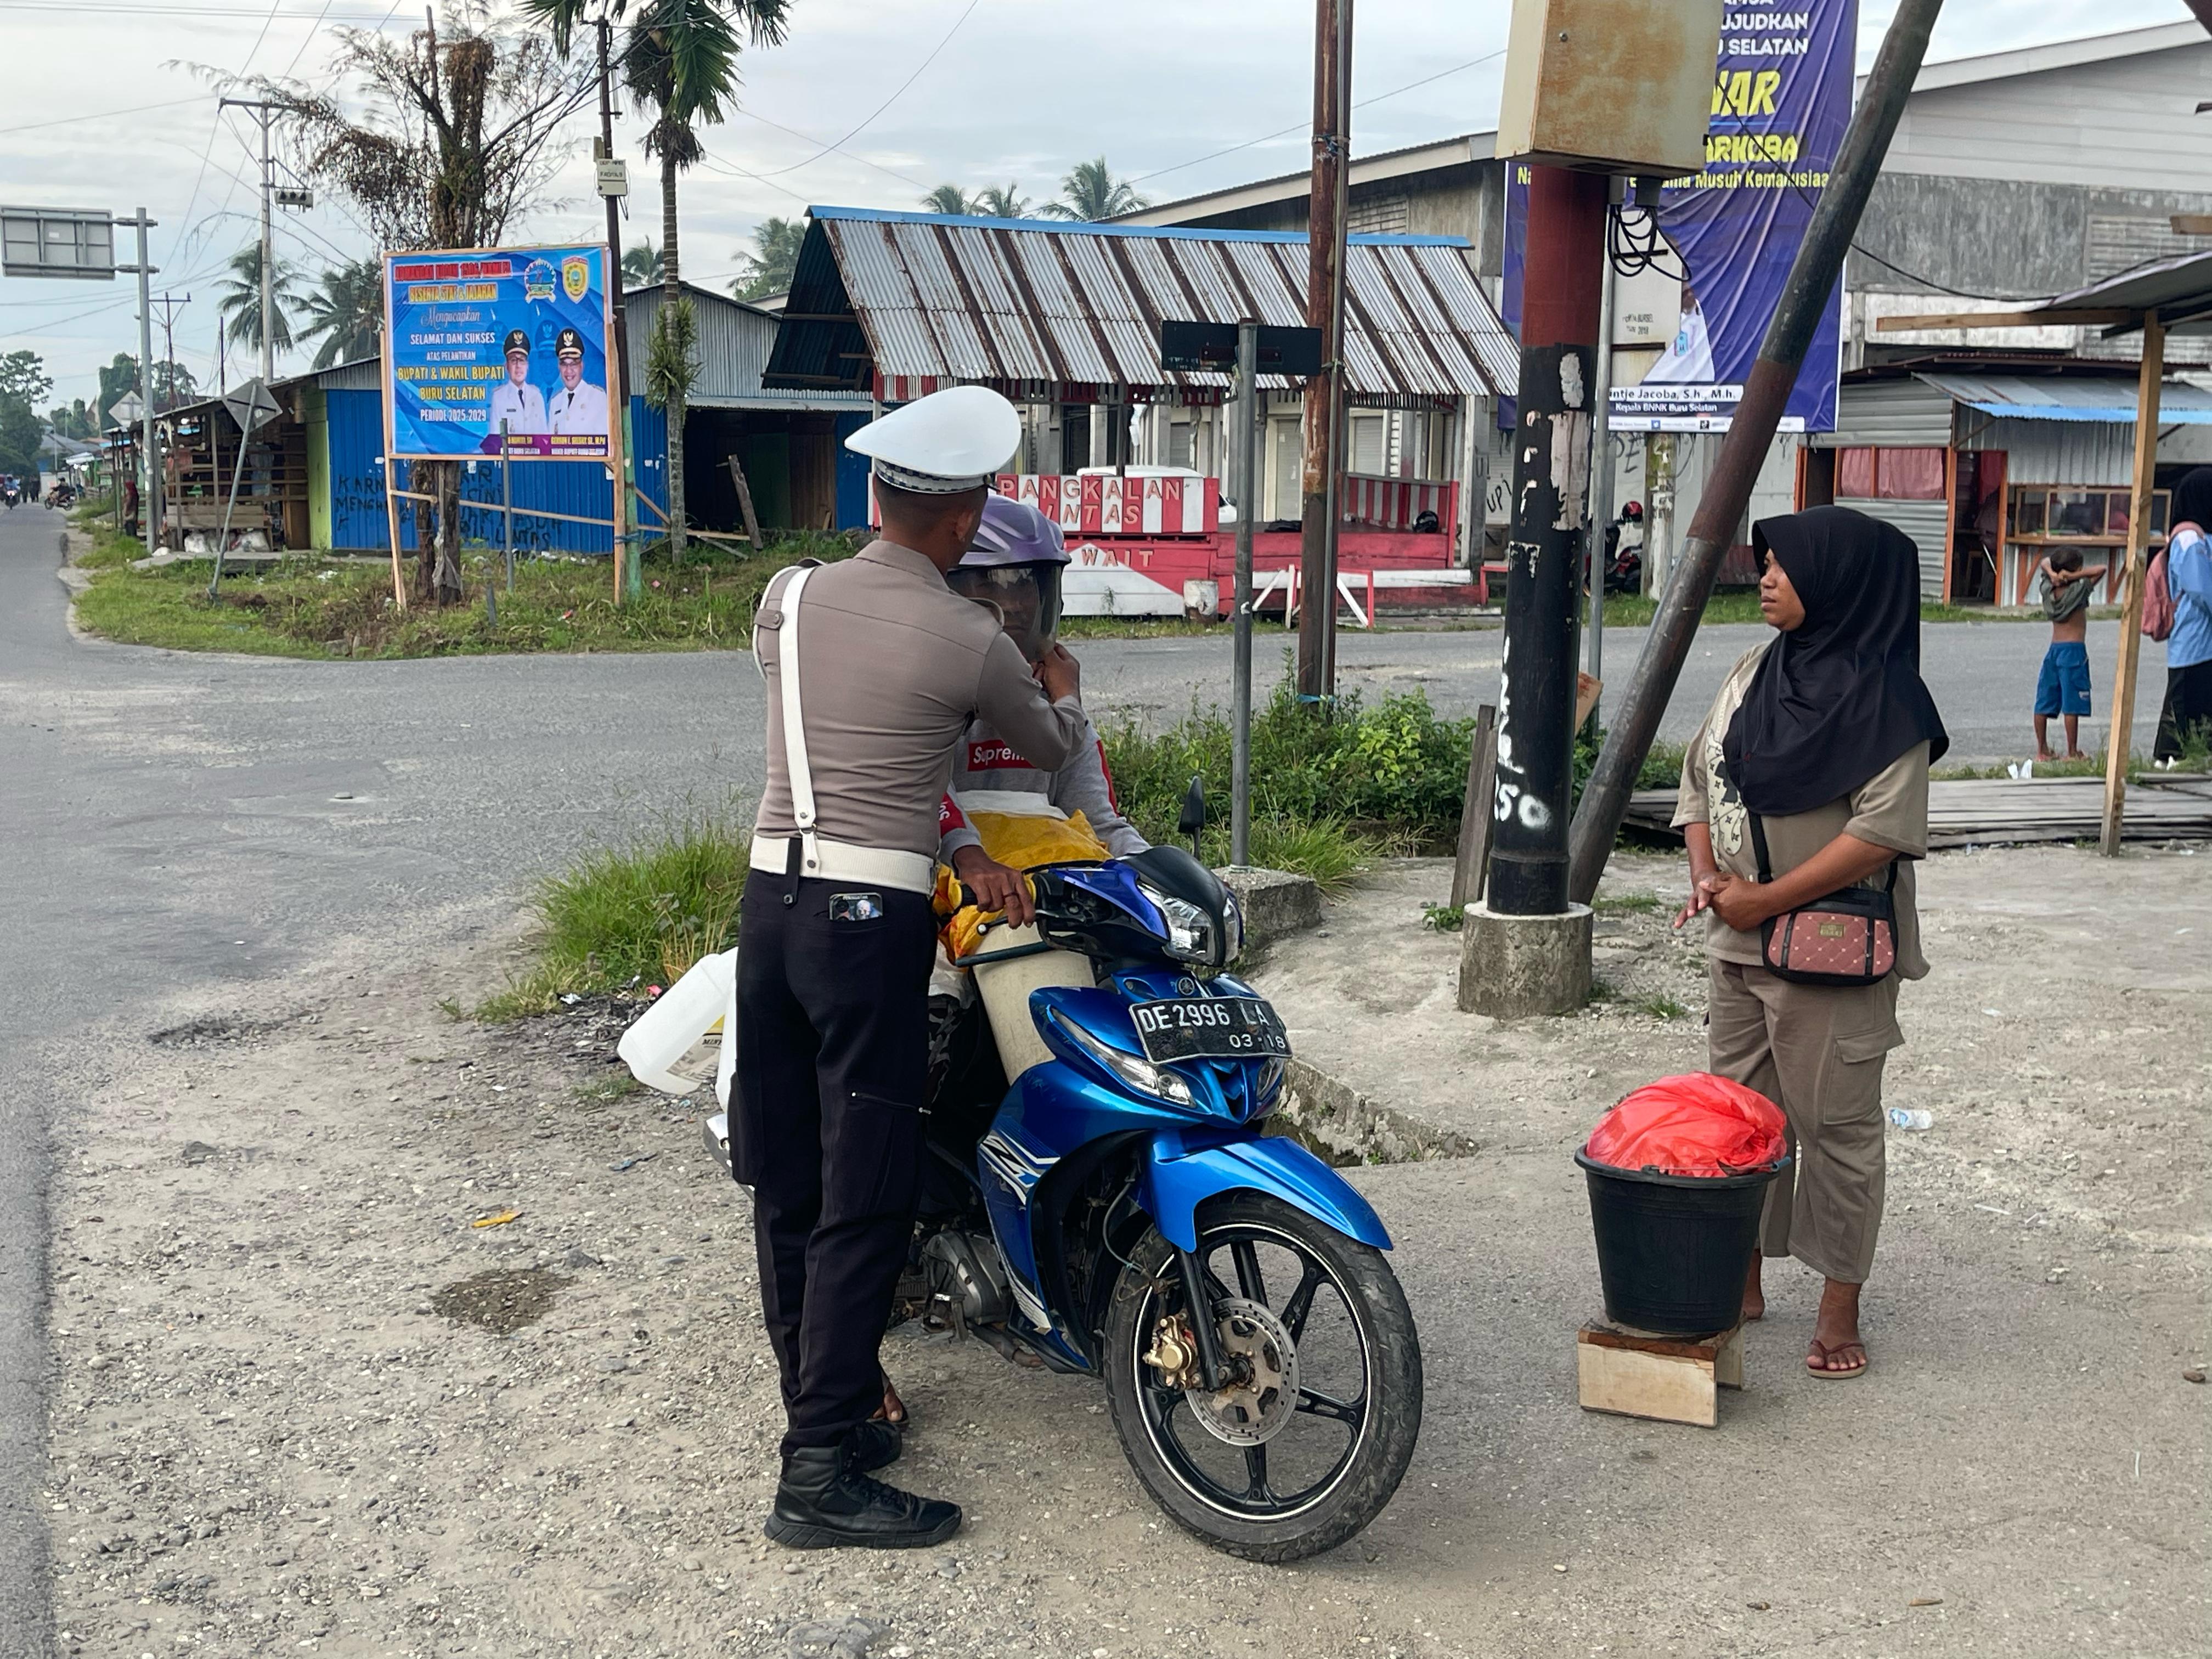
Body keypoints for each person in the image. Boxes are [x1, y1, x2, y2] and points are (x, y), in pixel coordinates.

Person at [737, 384, 1090, 1550]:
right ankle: (818, 1475)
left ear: (878, 496)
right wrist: (1064, 696)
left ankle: (822, 1413)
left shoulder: (786, 601)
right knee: (866, 1188)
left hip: (770, 906)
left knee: (788, 1176)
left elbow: (845, 739)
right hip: (863, 924)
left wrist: (952, 835)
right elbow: (1046, 743)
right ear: (962, 521)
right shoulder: (970, 635)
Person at [1673, 505, 1949, 1381]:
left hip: (1830, 944)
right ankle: (1743, 1276)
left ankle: (1838, 1304)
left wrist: (1767, 900)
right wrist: (1708, 873)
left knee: (1834, 1125)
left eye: (1783, 566)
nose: (1764, 578)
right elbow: (1700, 772)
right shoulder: (1756, 671)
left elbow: (1883, 832)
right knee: (1738, 1119)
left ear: (1837, 581)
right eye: (1764, 564)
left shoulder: (1889, 701)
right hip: (1738, 941)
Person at [940, 494, 1148, 916]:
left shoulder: (1061, 711)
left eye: (1027, 583)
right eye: (993, 583)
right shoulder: (932, 702)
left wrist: (1161, 871)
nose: (1015, 601)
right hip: (946, 899)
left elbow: (1099, 823)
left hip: (1041, 906)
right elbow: (922, 804)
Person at [2155, 467, 2212, 761]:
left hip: (2201, 641)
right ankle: (2168, 759)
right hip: (2194, 639)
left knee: (2196, 704)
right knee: (2184, 703)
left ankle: (2186, 757)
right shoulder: (2190, 539)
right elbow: (2201, 589)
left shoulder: (2200, 535)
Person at [2032, 545, 2106, 761]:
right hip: (2074, 650)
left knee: (2044, 700)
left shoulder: (2047, 588)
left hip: (2054, 649)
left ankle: (2042, 749)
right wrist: (2074, 576)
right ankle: (2072, 751)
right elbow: (2101, 569)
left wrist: (2054, 576)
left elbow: (2045, 562)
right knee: (2071, 702)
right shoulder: (2080, 588)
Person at [546, 326, 608, 436]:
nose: (569, 370)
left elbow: (604, 444)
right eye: (564, 364)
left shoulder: (597, 397)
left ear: (581, 366)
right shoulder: (555, 402)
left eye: (574, 364)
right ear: (559, 367)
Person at [487, 330, 547, 437]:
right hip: (509, 453)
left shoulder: (537, 396)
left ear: (527, 365)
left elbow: (544, 438)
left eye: (522, 360)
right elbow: (495, 440)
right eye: (514, 360)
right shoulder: (499, 398)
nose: (518, 366)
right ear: (507, 366)